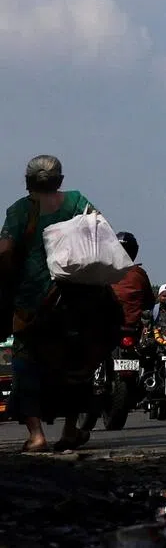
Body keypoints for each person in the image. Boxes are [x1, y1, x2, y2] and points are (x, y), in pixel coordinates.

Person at [0, 155, 118, 453]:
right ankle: (69, 429)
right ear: (60, 180)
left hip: (32, 303)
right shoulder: (77, 200)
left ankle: (37, 435)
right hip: (78, 300)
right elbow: (101, 231)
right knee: (76, 364)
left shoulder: (19, 211)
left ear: (28, 182)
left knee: (26, 360)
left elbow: (4, 250)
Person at [112, 232, 155, 333]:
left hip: (109, 326)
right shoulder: (139, 273)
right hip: (131, 326)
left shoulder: (104, 271)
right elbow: (150, 302)